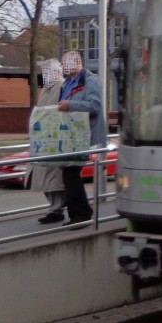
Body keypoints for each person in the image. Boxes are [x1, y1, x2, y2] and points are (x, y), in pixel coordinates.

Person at [56, 51, 105, 225]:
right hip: (70, 135)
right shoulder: (66, 83)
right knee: (68, 174)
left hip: (82, 135)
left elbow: (95, 106)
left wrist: (70, 104)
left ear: (77, 63)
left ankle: (81, 214)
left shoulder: (90, 81)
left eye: (66, 63)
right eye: (63, 64)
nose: (64, 67)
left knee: (71, 173)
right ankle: (77, 214)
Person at [34, 59, 68, 225]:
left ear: (56, 72)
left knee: (53, 176)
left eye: (47, 71)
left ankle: (57, 208)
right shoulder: (46, 89)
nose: (44, 74)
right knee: (44, 175)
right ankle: (55, 207)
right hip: (44, 137)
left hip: (55, 137)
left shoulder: (61, 86)